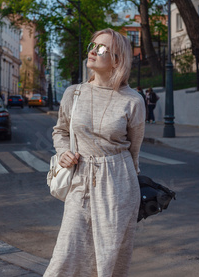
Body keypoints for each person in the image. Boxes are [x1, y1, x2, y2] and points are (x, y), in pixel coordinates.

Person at [45, 28, 145, 277]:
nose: (92, 50)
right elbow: (60, 131)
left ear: (117, 60)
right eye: (93, 44)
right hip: (80, 179)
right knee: (66, 254)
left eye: (101, 49)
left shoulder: (132, 100)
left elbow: (134, 150)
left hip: (118, 184)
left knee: (109, 258)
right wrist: (63, 152)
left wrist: (130, 183)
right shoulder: (74, 93)